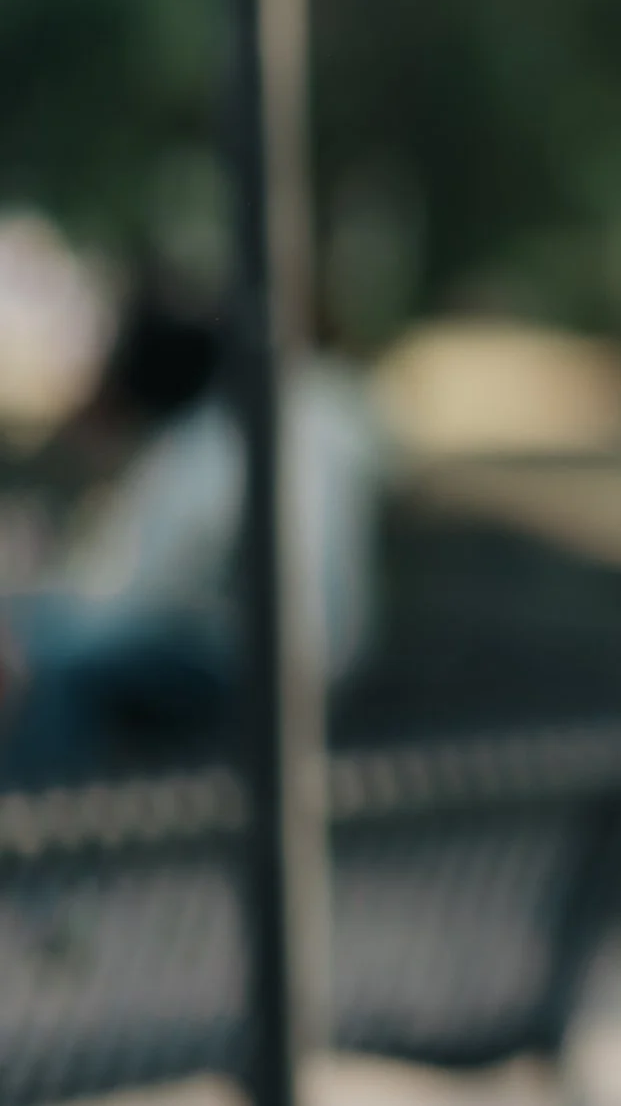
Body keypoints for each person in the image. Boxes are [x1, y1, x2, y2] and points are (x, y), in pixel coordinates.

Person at [0, 293, 386, 783]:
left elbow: (132, 598)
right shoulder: (322, 413)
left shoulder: (212, 444)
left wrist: (30, 636)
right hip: (321, 653)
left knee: (56, 672)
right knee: (47, 651)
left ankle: (40, 822)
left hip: (259, 663)